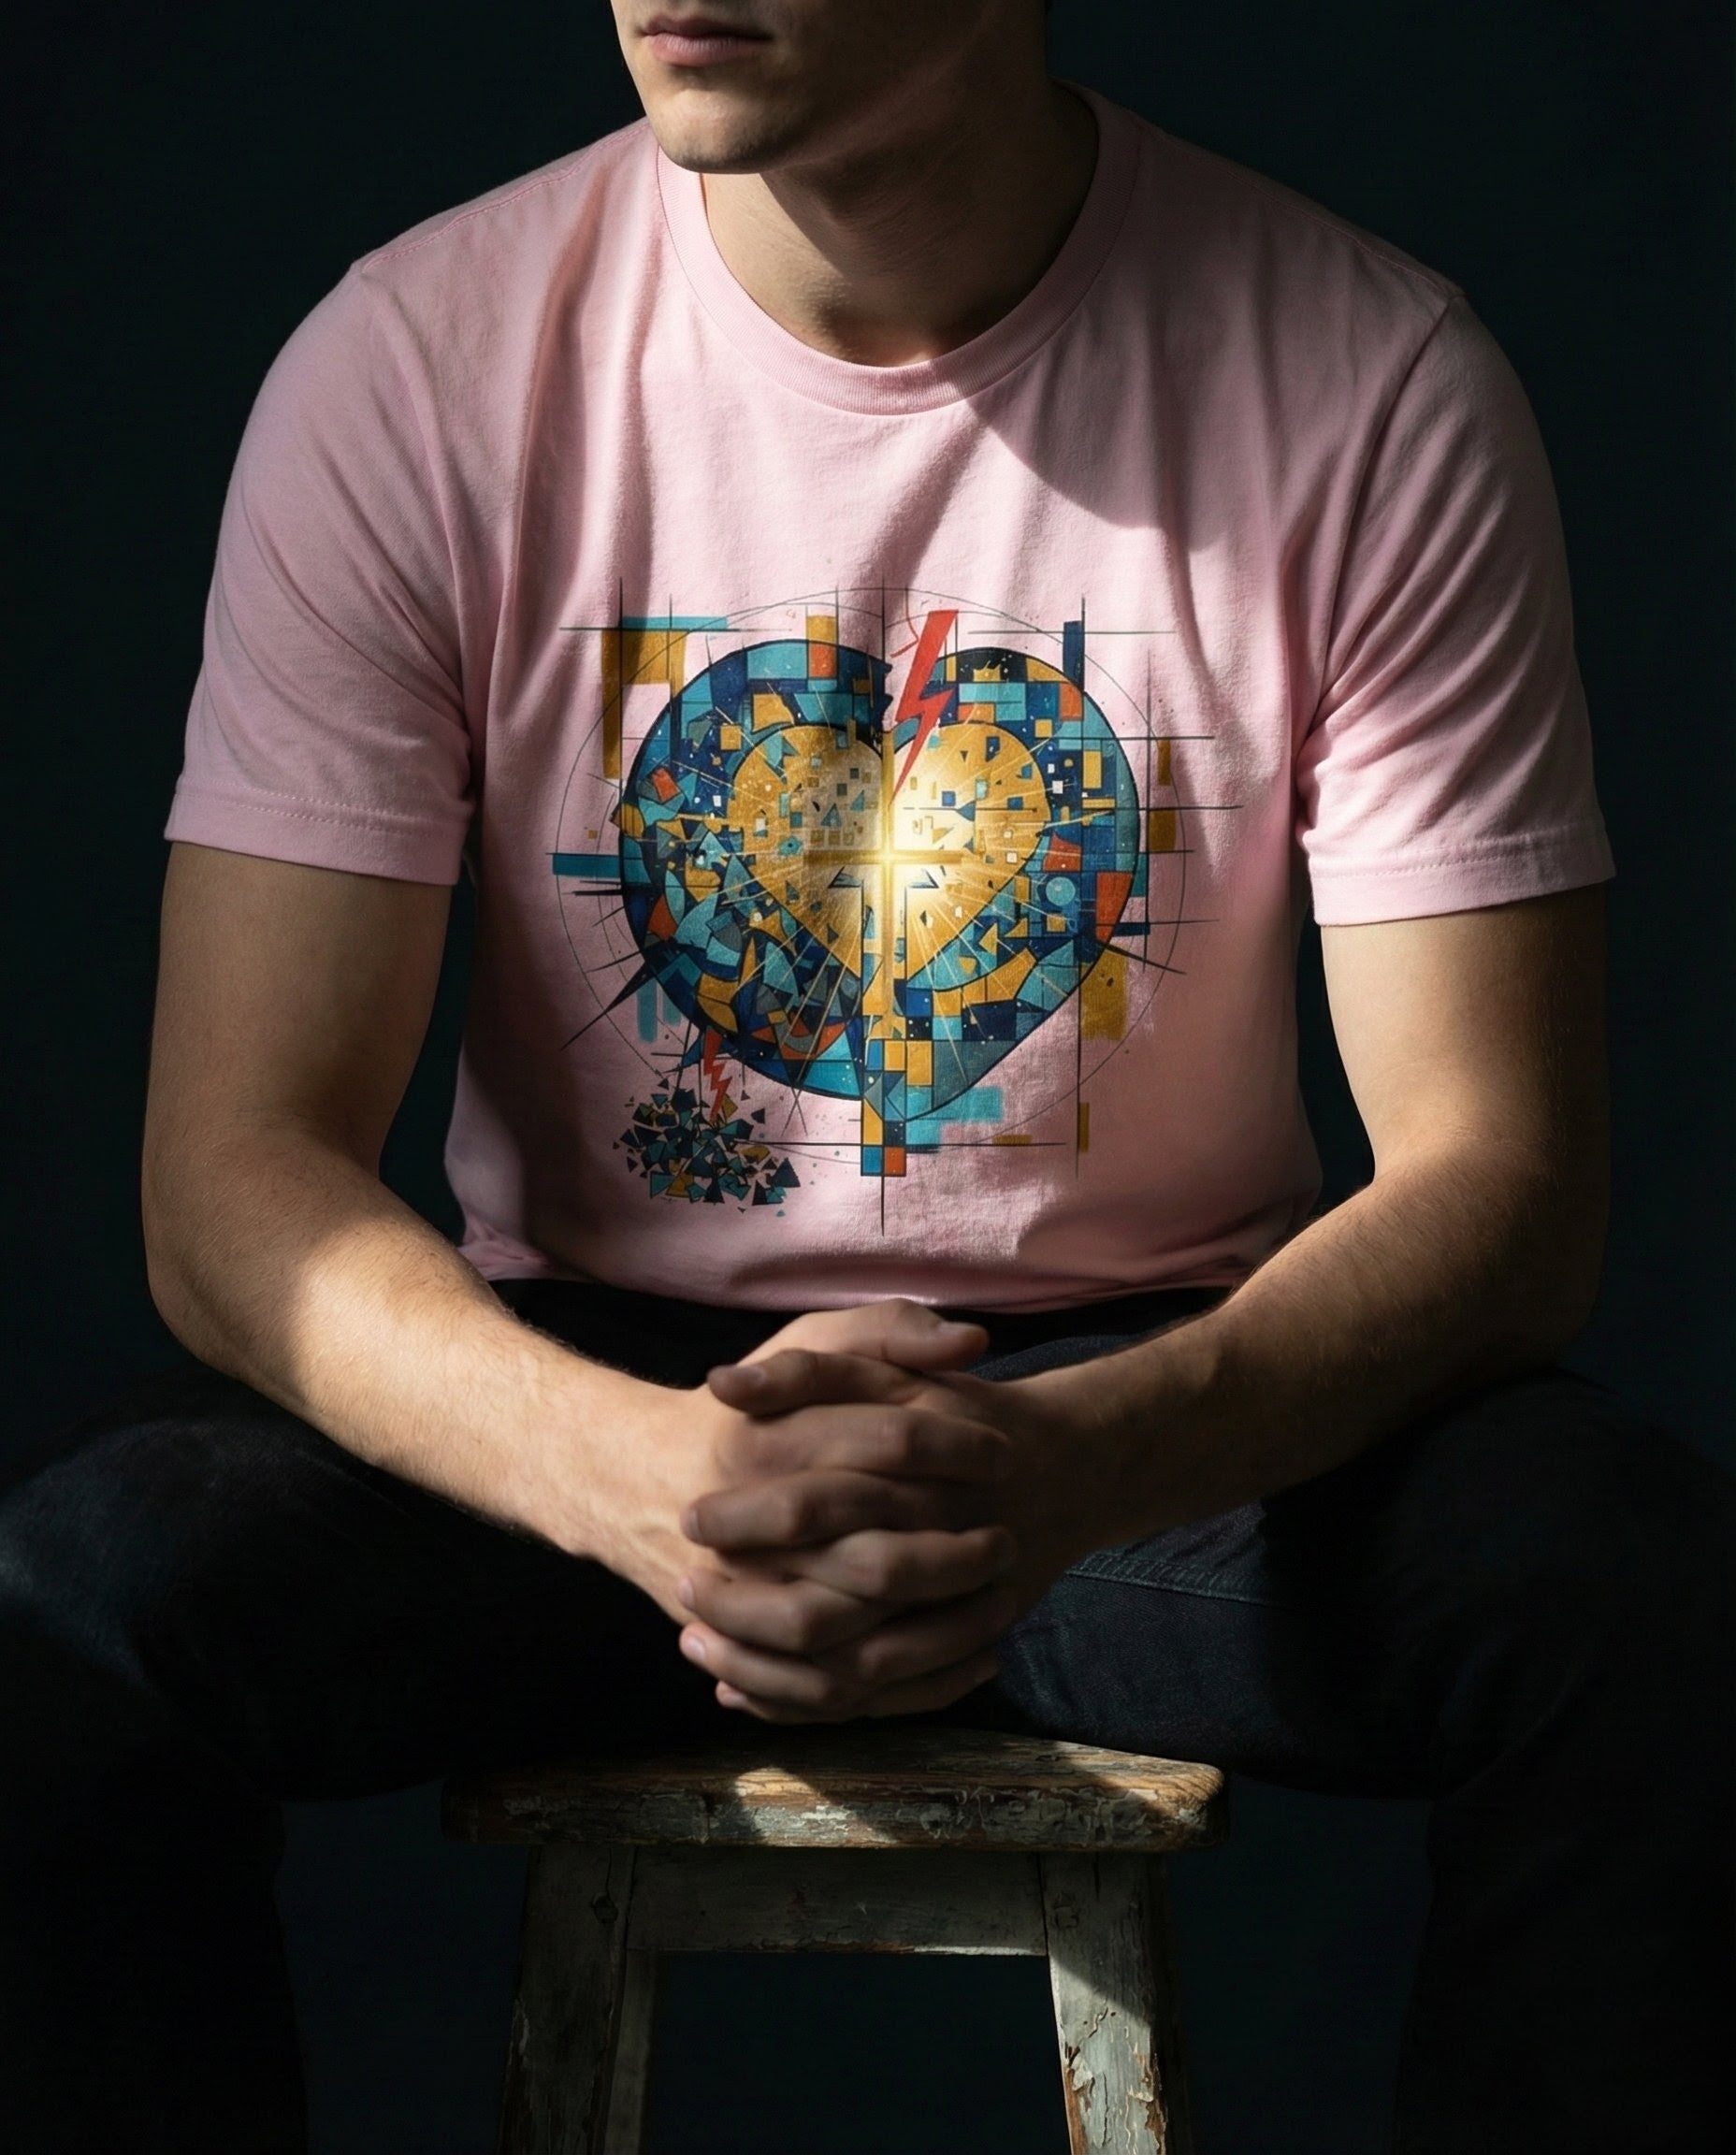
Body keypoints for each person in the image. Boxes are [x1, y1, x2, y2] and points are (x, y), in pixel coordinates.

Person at [3, 2, 1730, 2148]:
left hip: (1162, 1412)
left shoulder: (1364, 374)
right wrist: (637, 1482)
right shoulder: (418, 360)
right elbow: (229, 1178)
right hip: (578, 1397)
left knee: (1647, 1599)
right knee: (63, 1603)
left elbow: (1501, 1183)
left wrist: (1073, 1466)